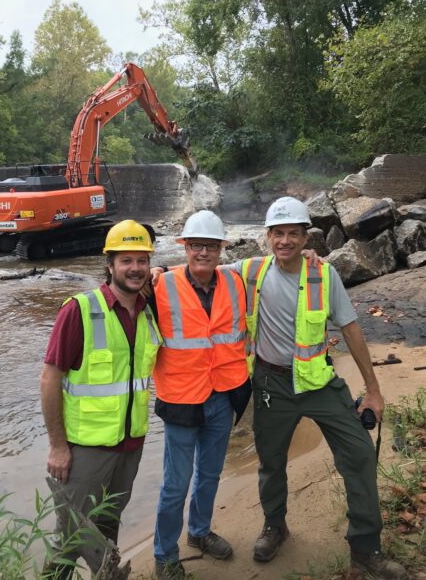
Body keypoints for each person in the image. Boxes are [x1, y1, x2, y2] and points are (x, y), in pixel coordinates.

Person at [227, 196, 408, 579]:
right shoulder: (250, 271)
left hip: (319, 383)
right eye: (279, 233)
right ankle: (275, 526)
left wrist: (373, 390)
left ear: (307, 237)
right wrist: (158, 275)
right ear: (267, 236)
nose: (286, 241)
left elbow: (351, 328)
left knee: (359, 453)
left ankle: (365, 547)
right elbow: (203, 270)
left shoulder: (323, 275)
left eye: (294, 233)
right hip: (271, 384)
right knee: (271, 461)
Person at [40, 220, 162, 579]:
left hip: (130, 446)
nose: (135, 268)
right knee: (70, 537)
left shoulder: (148, 311)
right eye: (126, 260)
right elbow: (50, 379)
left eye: (142, 260)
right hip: (85, 450)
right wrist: (58, 446)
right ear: (109, 263)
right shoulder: (79, 310)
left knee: (108, 529)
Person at [151, 210, 251, 580]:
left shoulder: (236, 282)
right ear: (185, 248)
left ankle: (199, 532)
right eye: (196, 246)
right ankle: (164, 554)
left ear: (222, 249)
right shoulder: (160, 285)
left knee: (209, 475)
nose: (203, 253)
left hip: (223, 396)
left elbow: (276, 262)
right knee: (175, 484)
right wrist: (152, 269)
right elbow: (120, 288)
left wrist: (309, 255)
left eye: (210, 246)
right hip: (180, 399)